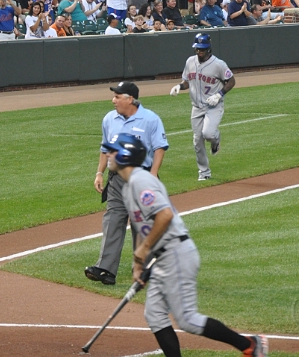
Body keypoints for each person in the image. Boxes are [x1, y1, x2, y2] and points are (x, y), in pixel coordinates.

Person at [99, 133, 268, 357]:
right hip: (163, 256)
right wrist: (138, 264)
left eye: (113, 150)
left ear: (125, 155)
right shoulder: (129, 188)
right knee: (155, 315)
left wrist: (142, 251)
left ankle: (250, 345)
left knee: (188, 320)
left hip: (176, 253)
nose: (108, 155)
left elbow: (165, 215)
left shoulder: (142, 181)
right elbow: (142, 226)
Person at [84, 82, 169, 287]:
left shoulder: (150, 119)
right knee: (113, 220)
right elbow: (105, 149)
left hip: (141, 178)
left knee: (141, 225)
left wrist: (154, 173)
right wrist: (99, 173)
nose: (113, 100)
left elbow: (159, 147)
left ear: (130, 99)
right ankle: (105, 269)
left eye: (117, 96)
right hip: (116, 180)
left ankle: (143, 269)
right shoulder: (109, 119)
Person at [169, 34, 235, 181]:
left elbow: (231, 81)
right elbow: (187, 81)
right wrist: (179, 86)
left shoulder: (218, 64)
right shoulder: (190, 62)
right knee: (197, 141)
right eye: (197, 49)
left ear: (208, 49)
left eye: (202, 49)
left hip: (213, 106)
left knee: (209, 134)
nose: (199, 52)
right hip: (196, 107)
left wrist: (219, 94)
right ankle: (204, 172)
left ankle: (216, 139)